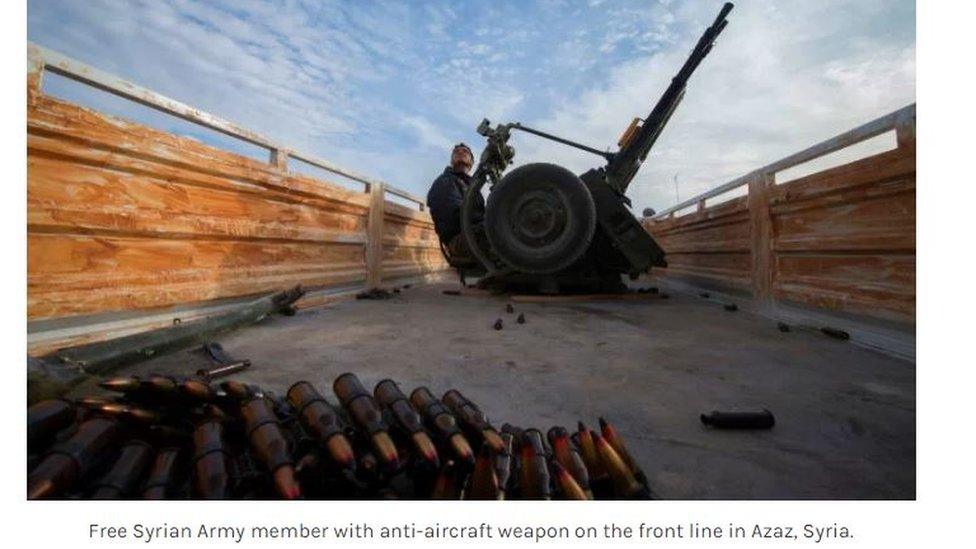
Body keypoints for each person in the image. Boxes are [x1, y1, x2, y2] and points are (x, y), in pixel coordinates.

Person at [426, 143, 485, 261]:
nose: (460, 152)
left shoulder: (472, 186)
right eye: (456, 151)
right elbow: (454, 215)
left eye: (465, 151)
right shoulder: (445, 181)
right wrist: (490, 220)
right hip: (460, 240)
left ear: (472, 162)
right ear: (452, 161)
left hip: (474, 233)